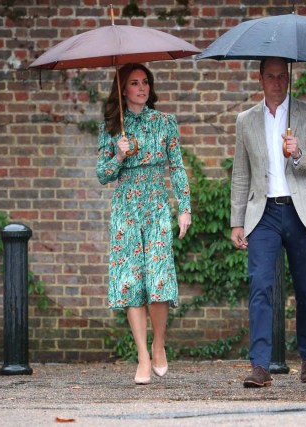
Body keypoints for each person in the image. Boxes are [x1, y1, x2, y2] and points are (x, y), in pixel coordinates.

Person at [230, 57, 306, 388]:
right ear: (260, 79)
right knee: (260, 285)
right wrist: (236, 221)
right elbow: (240, 174)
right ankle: (259, 366)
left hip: (301, 211)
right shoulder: (245, 120)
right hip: (263, 214)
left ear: (289, 78)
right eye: (271, 76)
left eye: (282, 76)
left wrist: (299, 154)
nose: (277, 81)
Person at [96, 63, 192, 385]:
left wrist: (184, 208)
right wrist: (119, 156)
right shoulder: (112, 127)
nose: (141, 87)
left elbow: (177, 168)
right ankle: (141, 355)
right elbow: (102, 175)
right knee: (130, 281)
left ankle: (159, 343)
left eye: (145, 82)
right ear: (123, 89)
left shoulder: (165, 122)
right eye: (134, 83)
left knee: (159, 278)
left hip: (156, 205)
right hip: (126, 208)